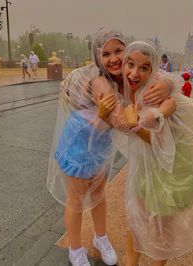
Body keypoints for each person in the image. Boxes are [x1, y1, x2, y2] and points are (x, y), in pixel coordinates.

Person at [47, 28, 173, 266]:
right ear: (98, 57)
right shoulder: (100, 81)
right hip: (79, 143)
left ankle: (100, 237)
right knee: (76, 198)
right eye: (106, 53)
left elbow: (157, 74)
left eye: (118, 51)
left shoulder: (124, 77)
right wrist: (155, 117)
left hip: (100, 143)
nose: (114, 58)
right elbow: (122, 122)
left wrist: (166, 87)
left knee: (98, 194)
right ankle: (75, 248)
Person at [114, 41, 193, 266]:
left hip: (171, 174)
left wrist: (142, 121)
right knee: (136, 223)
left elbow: (160, 141)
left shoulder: (156, 93)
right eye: (130, 64)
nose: (134, 73)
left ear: (152, 69)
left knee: (162, 230)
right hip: (147, 169)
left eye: (144, 68)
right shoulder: (131, 88)